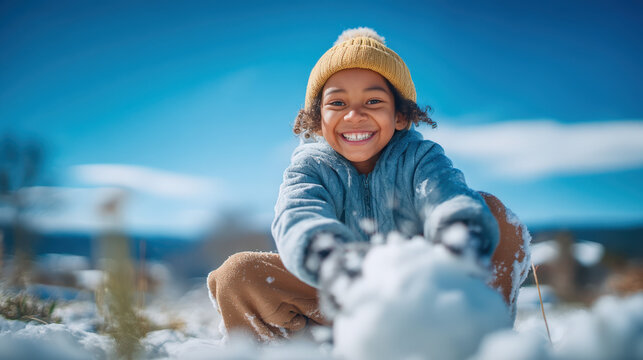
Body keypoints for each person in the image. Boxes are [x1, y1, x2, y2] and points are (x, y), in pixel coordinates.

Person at [207, 27, 530, 342]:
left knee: (491, 214)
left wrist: (457, 239)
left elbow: (445, 194)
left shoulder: (419, 157)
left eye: (373, 101)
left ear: (401, 115)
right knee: (238, 274)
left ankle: (477, 339)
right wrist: (331, 259)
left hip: (421, 297)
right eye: (337, 104)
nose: (354, 115)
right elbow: (299, 212)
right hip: (336, 296)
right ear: (317, 119)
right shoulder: (309, 167)